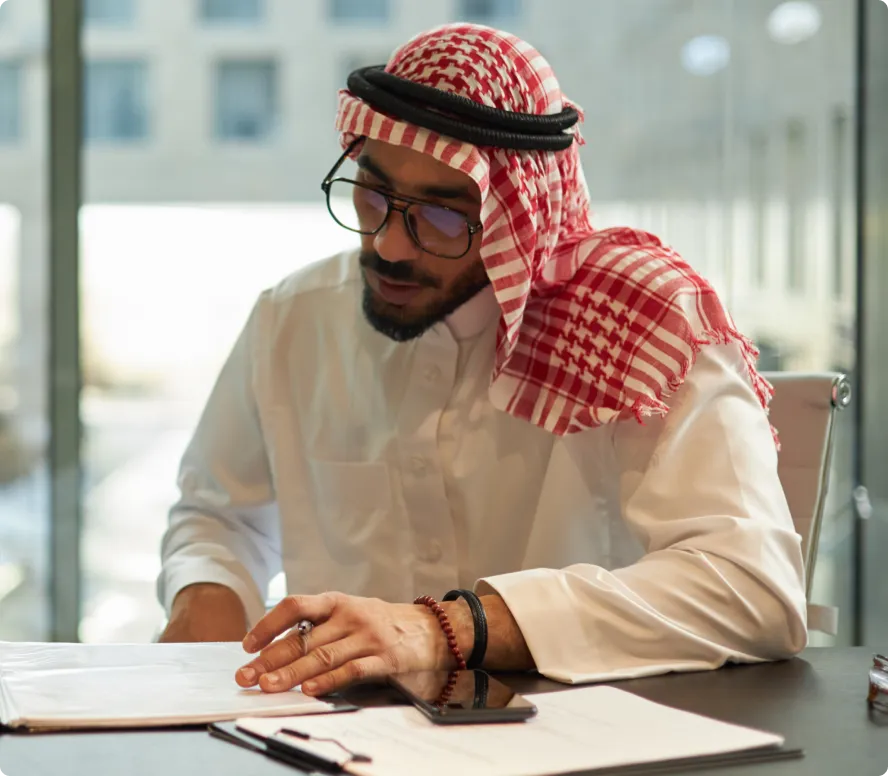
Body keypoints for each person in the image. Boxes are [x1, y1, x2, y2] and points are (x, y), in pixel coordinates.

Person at [157, 23, 808, 697]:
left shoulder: (644, 325)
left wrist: (447, 629)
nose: (389, 246)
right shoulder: (293, 318)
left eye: (443, 217)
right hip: (333, 734)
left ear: (514, 214)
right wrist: (206, 592)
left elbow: (752, 588)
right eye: (373, 195)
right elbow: (218, 515)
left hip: (581, 732)